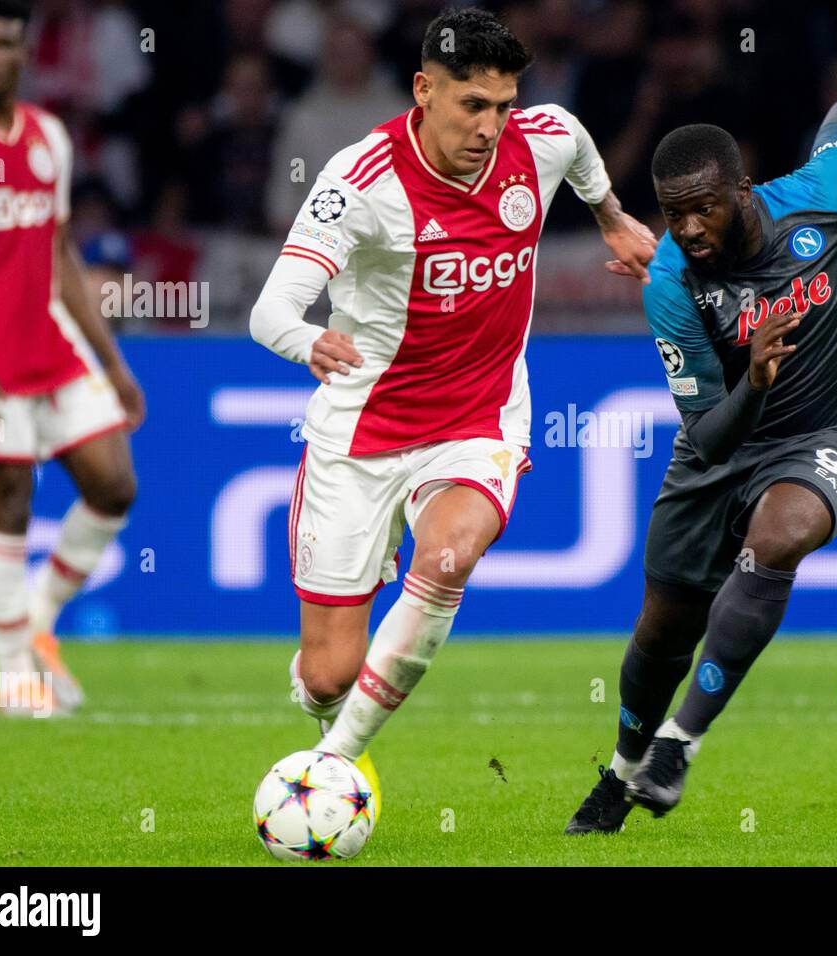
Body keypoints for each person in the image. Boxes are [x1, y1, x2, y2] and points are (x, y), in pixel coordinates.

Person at [249, 7, 654, 798]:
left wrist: (610, 217)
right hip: (361, 433)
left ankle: (334, 766)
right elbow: (271, 311)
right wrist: (309, 343)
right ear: (423, 91)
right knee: (328, 676)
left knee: (448, 556)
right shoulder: (359, 183)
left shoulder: (540, 141)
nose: (492, 125)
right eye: (473, 104)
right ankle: (327, 716)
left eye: (504, 105)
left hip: (479, 420)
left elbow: (573, 144)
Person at [565, 98, 837, 832]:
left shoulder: (823, 196)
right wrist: (755, 381)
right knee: (661, 633)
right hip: (723, 447)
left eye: (703, 208)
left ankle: (679, 741)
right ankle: (624, 769)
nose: (690, 229)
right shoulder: (671, 282)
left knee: (779, 536)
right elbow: (706, 437)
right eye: (673, 214)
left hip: (829, 435)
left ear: (743, 189)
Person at [0, 0, 144, 716]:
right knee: (8, 504)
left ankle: (37, 619)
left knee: (114, 484)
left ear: (25, 52)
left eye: (4, 42)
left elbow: (61, 252)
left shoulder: (49, 138)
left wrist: (113, 363)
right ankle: (11, 679)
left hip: (54, 350)